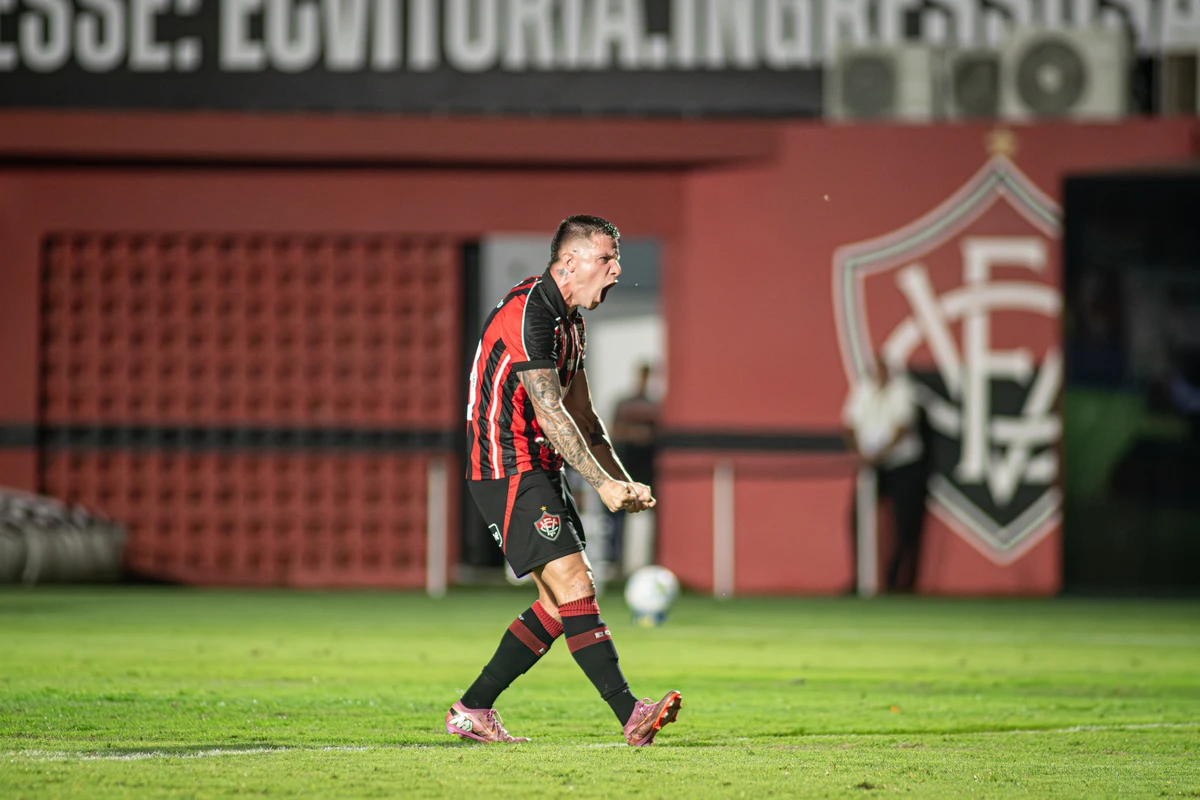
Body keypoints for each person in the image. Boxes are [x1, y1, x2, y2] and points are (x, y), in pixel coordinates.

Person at [449, 215, 682, 746]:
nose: (618, 270)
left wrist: (623, 480)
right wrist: (600, 486)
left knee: (559, 604)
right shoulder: (531, 309)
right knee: (577, 583)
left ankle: (472, 709)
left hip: (537, 468)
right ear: (568, 263)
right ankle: (631, 713)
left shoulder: (570, 322)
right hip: (505, 468)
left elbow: (585, 414)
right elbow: (551, 410)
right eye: (607, 259)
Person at [843, 357, 930, 592]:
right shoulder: (863, 391)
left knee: (905, 525)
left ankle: (899, 582)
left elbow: (903, 426)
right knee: (857, 519)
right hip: (871, 466)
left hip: (903, 465)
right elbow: (849, 425)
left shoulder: (903, 392)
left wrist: (882, 451)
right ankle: (861, 579)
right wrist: (861, 453)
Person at [606, 363, 660, 573]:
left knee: (648, 514)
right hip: (624, 467)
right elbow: (613, 431)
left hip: (646, 469)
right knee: (617, 514)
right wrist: (635, 434)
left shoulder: (654, 406)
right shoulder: (624, 403)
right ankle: (614, 561)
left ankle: (649, 561)